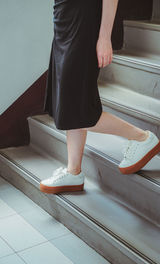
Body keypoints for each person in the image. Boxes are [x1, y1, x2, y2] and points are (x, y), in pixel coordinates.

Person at [39, 0, 160, 194]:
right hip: (64, 21)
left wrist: (104, 37)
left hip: (84, 22)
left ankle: (142, 138)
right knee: (70, 101)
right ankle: (73, 171)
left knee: (78, 106)